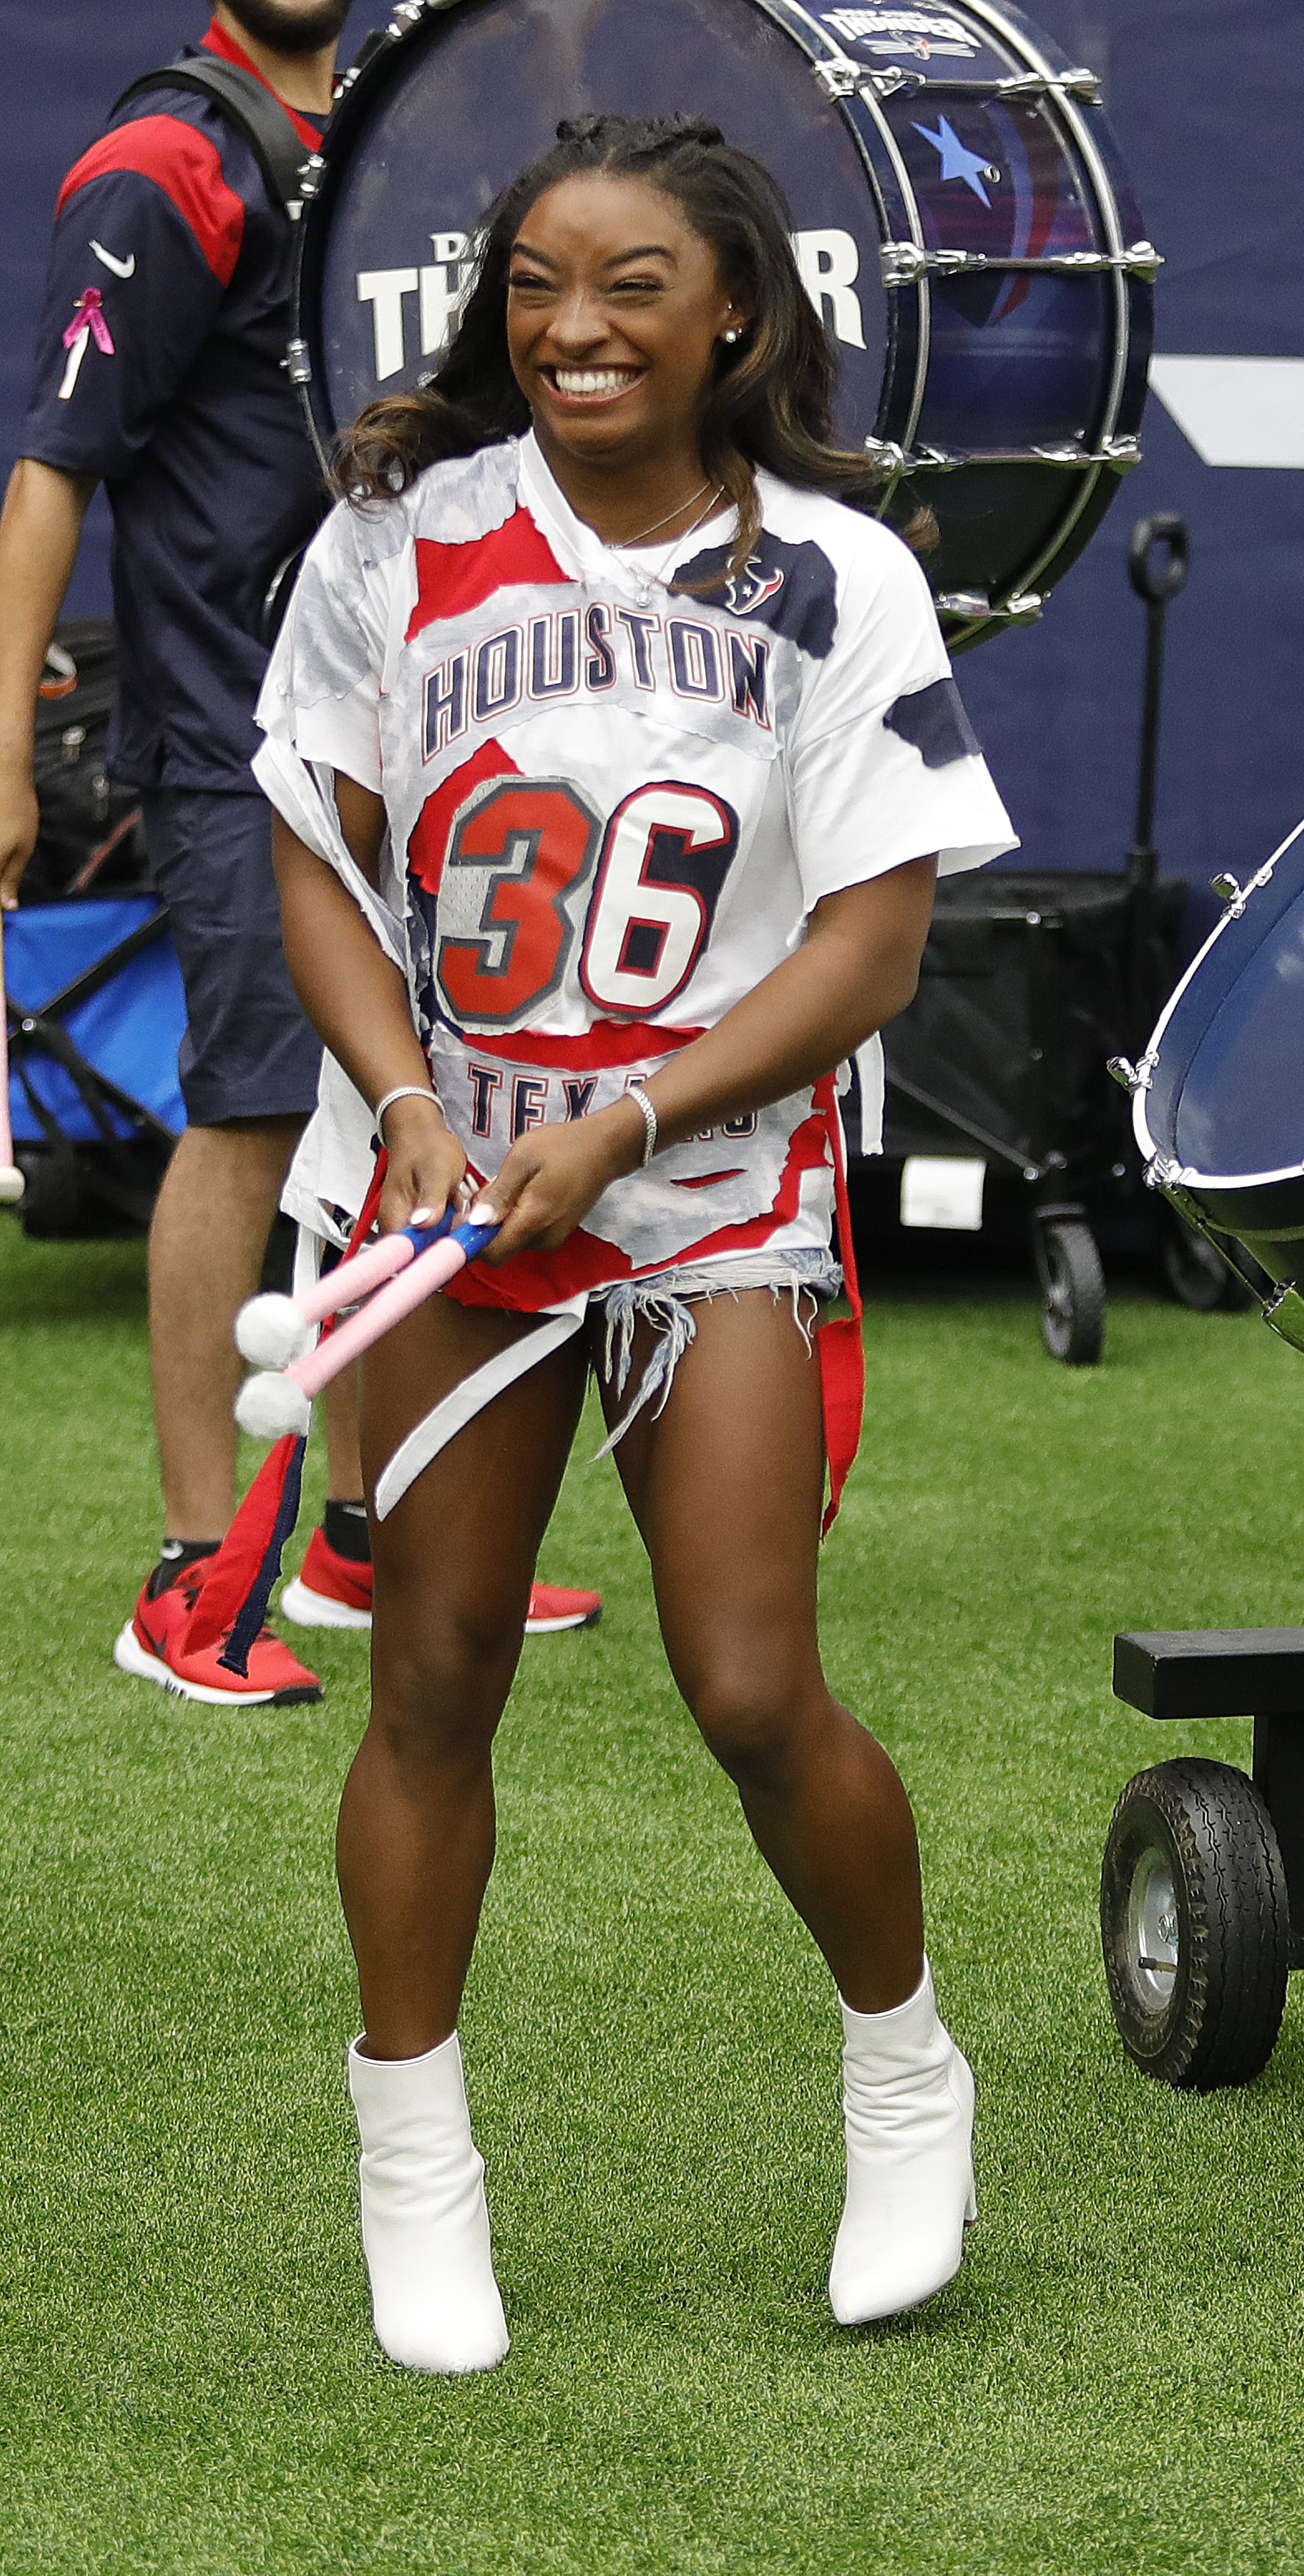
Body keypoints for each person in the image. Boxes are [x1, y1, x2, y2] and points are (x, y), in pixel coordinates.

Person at [255, 111, 1015, 2361]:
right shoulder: (402, 536)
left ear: (735, 319)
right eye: (531, 290)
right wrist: (402, 1098)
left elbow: (872, 948)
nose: (570, 329)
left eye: (628, 288)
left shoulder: (837, 577)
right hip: (441, 1197)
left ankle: (906, 2076)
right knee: (432, 1672)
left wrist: (623, 1121)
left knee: (751, 1686)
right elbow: (316, 843)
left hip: (709, 1193)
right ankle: (417, 2165)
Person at [0, 3, 599, 1706]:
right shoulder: (165, 168)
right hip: (233, 735)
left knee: (375, 1106)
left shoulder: (402, 130)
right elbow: (51, 471)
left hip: (407, 727)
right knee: (256, 1110)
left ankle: (355, 1530)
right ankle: (193, 1578)